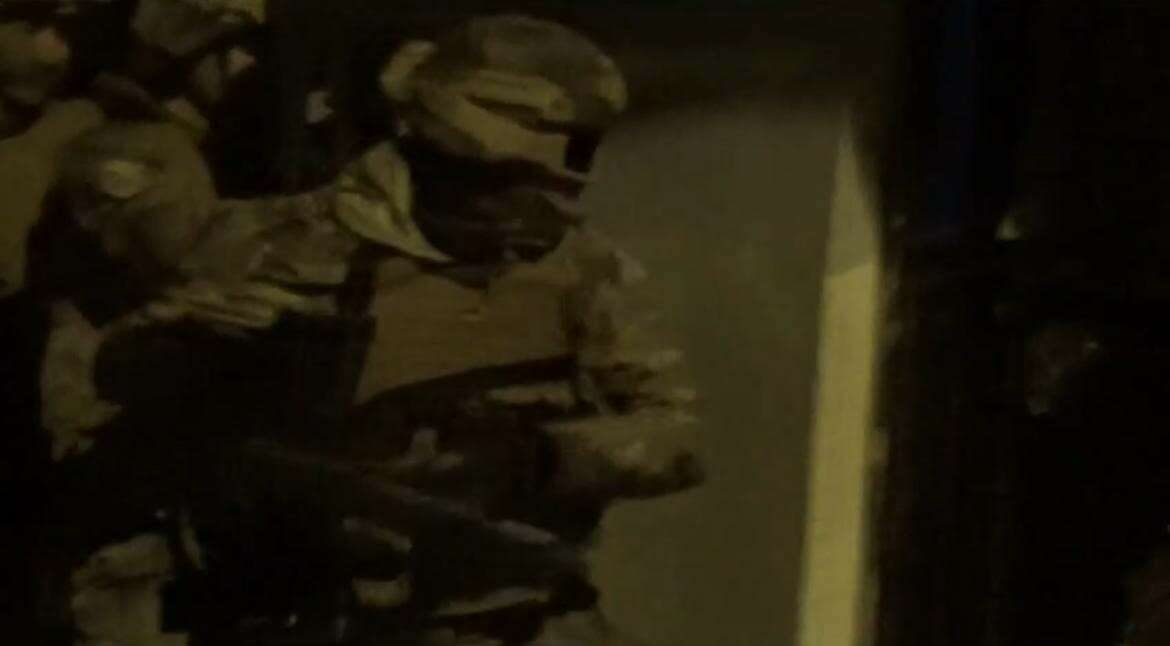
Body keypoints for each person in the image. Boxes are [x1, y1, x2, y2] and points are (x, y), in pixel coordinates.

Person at [8, 13, 700, 645]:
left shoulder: (584, 270)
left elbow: (675, 437)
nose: (523, 215)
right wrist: (183, 363)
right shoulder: (266, 244)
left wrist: (535, 457)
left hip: (519, 617)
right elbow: (96, 414)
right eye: (502, 185)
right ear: (445, 153)